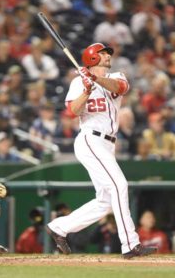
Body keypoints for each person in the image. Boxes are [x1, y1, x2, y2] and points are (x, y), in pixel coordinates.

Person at [46, 42, 157, 259]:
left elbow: (120, 88)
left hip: (108, 144)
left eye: (107, 53)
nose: (107, 55)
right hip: (90, 139)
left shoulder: (117, 75)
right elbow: (72, 111)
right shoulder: (79, 82)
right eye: (103, 53)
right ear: (92, 57)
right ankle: (130, 245)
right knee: (119, 185)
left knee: (105, 201)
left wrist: (95, 80)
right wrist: (86, 90)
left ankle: (59, 227)